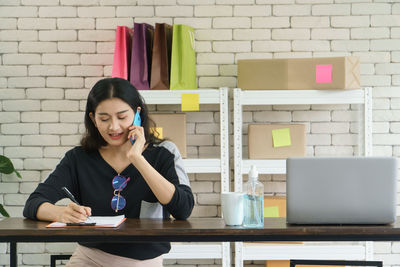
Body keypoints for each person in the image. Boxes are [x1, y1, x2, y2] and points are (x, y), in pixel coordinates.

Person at [23, 77, 194, 267]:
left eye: (122, 117)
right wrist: (61, 213)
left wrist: (137, 158)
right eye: (104, 119)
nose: (114, 127)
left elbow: (183, 209)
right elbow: (33, 203)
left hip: (142, 261)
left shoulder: (165, 153)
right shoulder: (78, 158)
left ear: (138, 113)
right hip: (89, 257)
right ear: (93, 119)